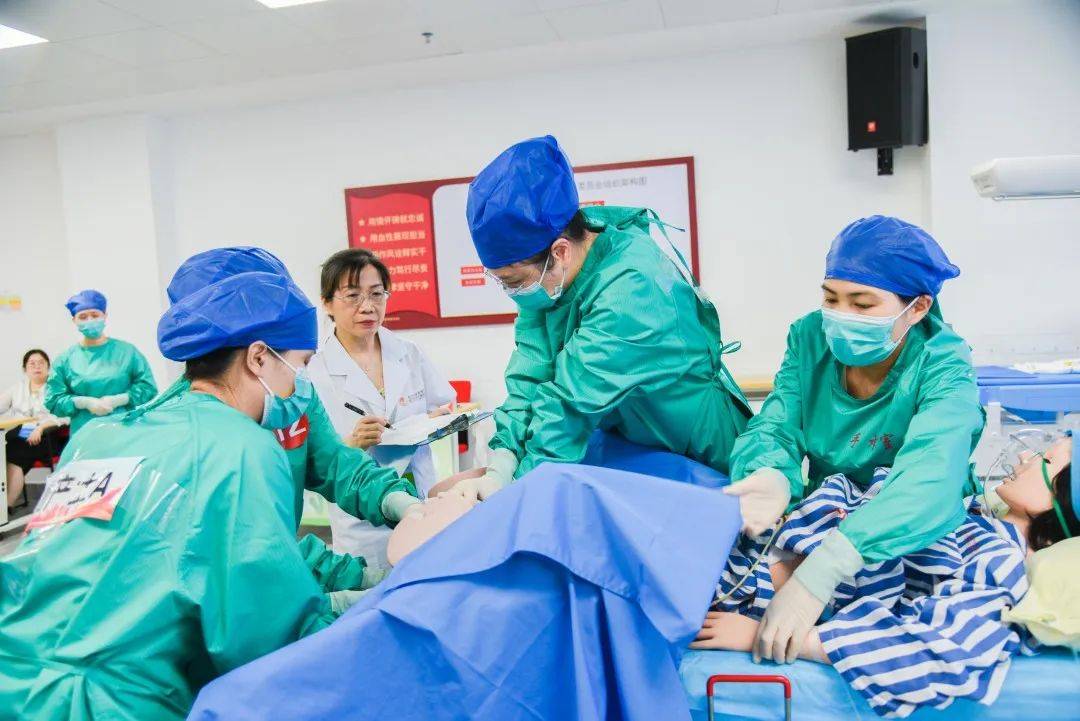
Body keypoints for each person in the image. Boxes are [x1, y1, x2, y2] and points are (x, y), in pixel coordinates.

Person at [0, 258, 358, 721]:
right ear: (258, 357)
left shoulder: (99, 436)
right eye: (301, 365)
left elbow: (147, 555)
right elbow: (263, 634)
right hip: (105, 704)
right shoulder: (241, 447)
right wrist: (363, 603)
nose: (301, 384)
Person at [722, 215, 986, 664]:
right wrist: (769, 473)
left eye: (862, 304)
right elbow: (777, 424)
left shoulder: (942, 365)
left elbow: (931, 476)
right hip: (828, 511)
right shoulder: (810, 338)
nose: (842, 315)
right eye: (831, 298)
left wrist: (823, 571)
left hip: (906, 522)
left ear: (918, 307)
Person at [446, 135, 752, 501]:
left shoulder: (632, 287)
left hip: (698, 450)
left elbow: (568, 406)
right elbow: (530, 376)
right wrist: (500, 466)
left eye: (512, 281)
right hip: (637, 446)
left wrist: (515, 496)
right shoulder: (549, 285)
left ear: (560, 252)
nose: (512, 292)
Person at [692, 433, 1078, 717]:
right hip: (742, 536)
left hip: (728, 582)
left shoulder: (1000, 559)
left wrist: (769, 637)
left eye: (1046, 460)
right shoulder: (970, 511)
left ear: (1064, 503)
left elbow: (936, 652)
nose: (1025, 455)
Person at [161, 246, 425, 590]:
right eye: (301, 362)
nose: (303, 376)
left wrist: (397, 500)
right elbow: (259, 550)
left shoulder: (290, 397)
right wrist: (359, 584)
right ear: (258, 356)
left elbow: (335, 464)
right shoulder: (197, 439)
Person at [308, 248, 456, 568]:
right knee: (373, 588)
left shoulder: (407, 353)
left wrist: (436, 420)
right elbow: (313, 459)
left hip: (423, 502)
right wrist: (352, 443)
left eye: (377, 294)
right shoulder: (314, 373)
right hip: (363, 523)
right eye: (352, 295)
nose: (367, 306)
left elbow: (444, 403)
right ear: (327, 302)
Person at [44, 289, 158, 435]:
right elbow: (53, 400)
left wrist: (120, 399)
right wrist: (83, 402)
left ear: (105, 315)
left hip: (123, 428)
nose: (89, 320)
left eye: (94, 315)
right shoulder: (65, 359)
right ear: (74, 320)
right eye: (83, 317)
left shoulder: (127, 352)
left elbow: (148, 387)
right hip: (85, 432)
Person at [1, 349, 69, 506]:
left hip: (46, 436)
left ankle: (6, 506)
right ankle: (4, 506)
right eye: (32, 364)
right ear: (25, 368)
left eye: (41, 363)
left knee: (12, 453)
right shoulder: (18, 388)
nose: (37, 366)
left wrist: (40, 428)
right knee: (7, 449)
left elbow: (66, 417)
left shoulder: (57, 388)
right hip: (20, 434)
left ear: (48, 367)